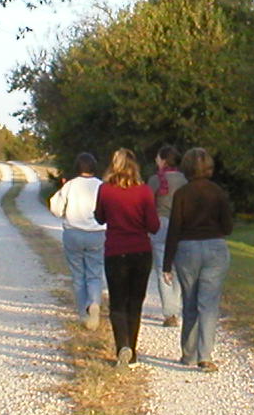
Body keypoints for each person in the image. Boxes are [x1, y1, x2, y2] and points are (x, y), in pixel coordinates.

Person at [162, 146, 234, 371]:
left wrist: (167, 264)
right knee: (209, 304)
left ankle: (188, 354)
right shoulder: (218, 192)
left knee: (190, 301)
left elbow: (174, 228)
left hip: (187, 250)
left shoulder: (181, 194)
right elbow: (228, 227)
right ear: (209, 167)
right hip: (215, 249)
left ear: (186, 168)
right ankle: (205, 356)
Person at [93, 147, 159, 368]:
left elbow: (100, 218)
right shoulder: (144, 191)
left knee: (118, 302)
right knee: (135, 303)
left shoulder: (105, 190)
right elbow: (154, 226)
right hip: (141, 251)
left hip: (115, 251)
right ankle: (132, 353)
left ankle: (122, 346)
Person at [47, 153, 105, 329]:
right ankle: (94, 302)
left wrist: (64, 213)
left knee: (78, 275)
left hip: (73, 233)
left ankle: (83, 314)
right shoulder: (101, 186)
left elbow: (55, 208)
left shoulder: (70, 186)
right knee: (94, 273)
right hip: (97, 233)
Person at [147, 144, 188, 327]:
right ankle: (176, 308)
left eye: (158, 157)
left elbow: (146, 205)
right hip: (182, 225)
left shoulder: (155, 180)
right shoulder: (185, 180)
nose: (156, 160)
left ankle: (169, 313)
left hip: (161, 225)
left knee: (162, 269)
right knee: (179, 269)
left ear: (163, 160)